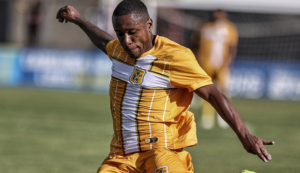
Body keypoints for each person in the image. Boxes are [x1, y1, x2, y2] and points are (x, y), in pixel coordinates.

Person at [56, 1, 274, 172]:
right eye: (120, 33)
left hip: (159, 151)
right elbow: (105, 42)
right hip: (121, 156)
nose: (127, 40)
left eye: (132, 32)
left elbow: (213, 94)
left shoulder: (174, 56)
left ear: (149, 25)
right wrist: (78, 19)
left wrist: (244, 135)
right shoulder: (120, 50)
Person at [195, 10, 238, 130]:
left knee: (224, 90)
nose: (218, 15)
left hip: (222, 64)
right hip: (206, 63)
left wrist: (229, 63)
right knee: (206, 90)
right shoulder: (204, 27)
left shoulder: (230, 28)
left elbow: (232, 47)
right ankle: (207, 117)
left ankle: (225, 117)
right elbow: (196, 44)